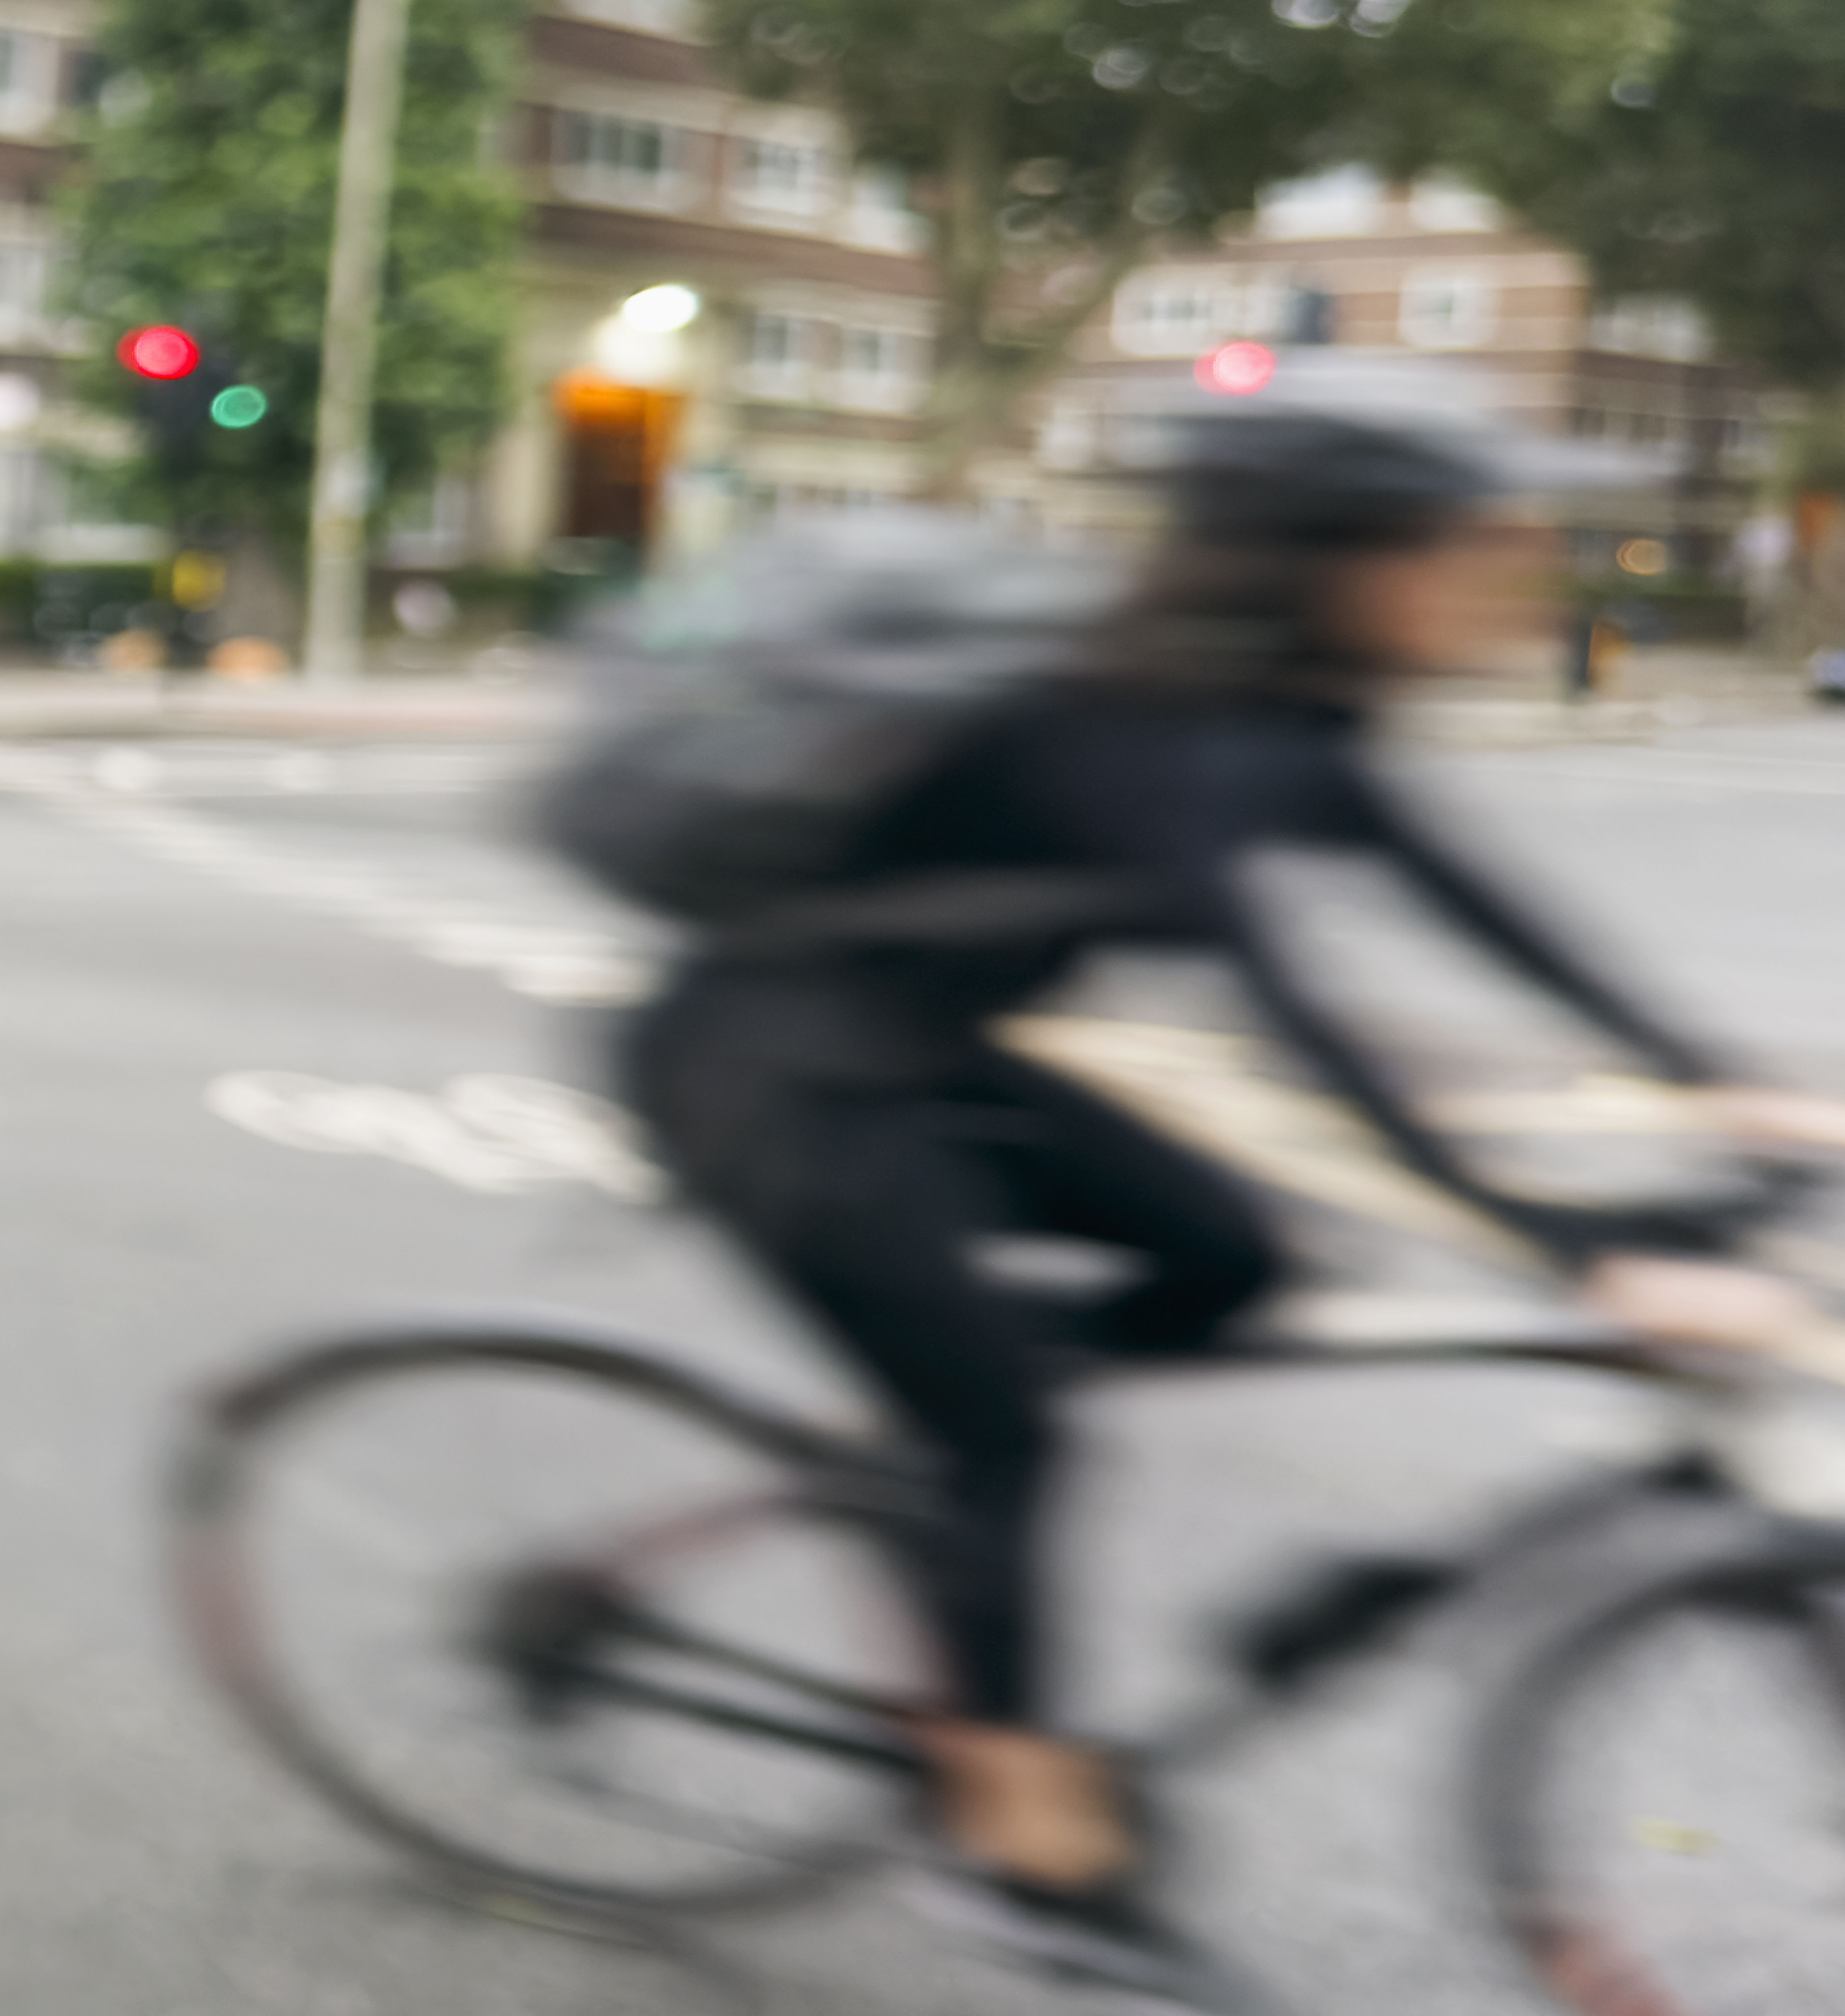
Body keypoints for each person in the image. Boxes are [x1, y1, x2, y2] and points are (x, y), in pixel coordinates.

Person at [617, 406, 1845, 1992]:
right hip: (767, 1072)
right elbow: (1298, 1016)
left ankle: (929, 1401)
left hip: (913, 1047)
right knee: (1010, 1434)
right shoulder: (1139, 730)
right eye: (1466, 550)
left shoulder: (1284, 718)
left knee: (1232, 1254)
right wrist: (1569, 1247)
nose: (1503, 579)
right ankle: (1017, 1842)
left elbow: (1468, 895)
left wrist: (1706, 1072)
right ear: (1332, 566)